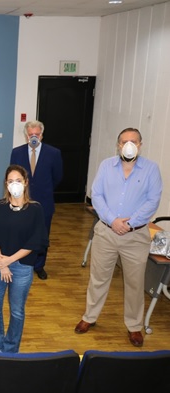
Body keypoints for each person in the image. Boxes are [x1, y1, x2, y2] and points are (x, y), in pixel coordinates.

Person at [75, 128, 162, 347]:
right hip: (106, 231)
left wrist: (130, 223)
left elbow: (152, 201)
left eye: (133, 141)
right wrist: (113, 220)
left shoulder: (151, 169)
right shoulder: (106, 166)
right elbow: (97, 195)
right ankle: (89, 317)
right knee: (98, 278)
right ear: (118, 145)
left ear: (140, 145)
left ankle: (134, 326)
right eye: (124, 141)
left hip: (136, 235)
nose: (129, 145)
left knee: (134, 283)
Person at [0, 165, 49, 353]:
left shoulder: (35, 210)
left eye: (18, 180)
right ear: (6, 184)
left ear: (25, 182)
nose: (14, 184)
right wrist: (1, 263)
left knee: (16, 311)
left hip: (21, 266)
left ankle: (10, 350)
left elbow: (34, 242)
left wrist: (9, 262)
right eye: (10, 181)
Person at [10, 120, 62, 280]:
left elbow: (58, 177)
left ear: (42, 135)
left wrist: (43, 190)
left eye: (37, 134)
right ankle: (20, 263)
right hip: (21, 201)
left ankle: (39, 265)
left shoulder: (53, 153)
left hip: (44, 202)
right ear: (26, 136)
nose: (34, 137)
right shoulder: (17, 152)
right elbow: (12, 176)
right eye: (31, 134)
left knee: (42, 234)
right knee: (20, 233)